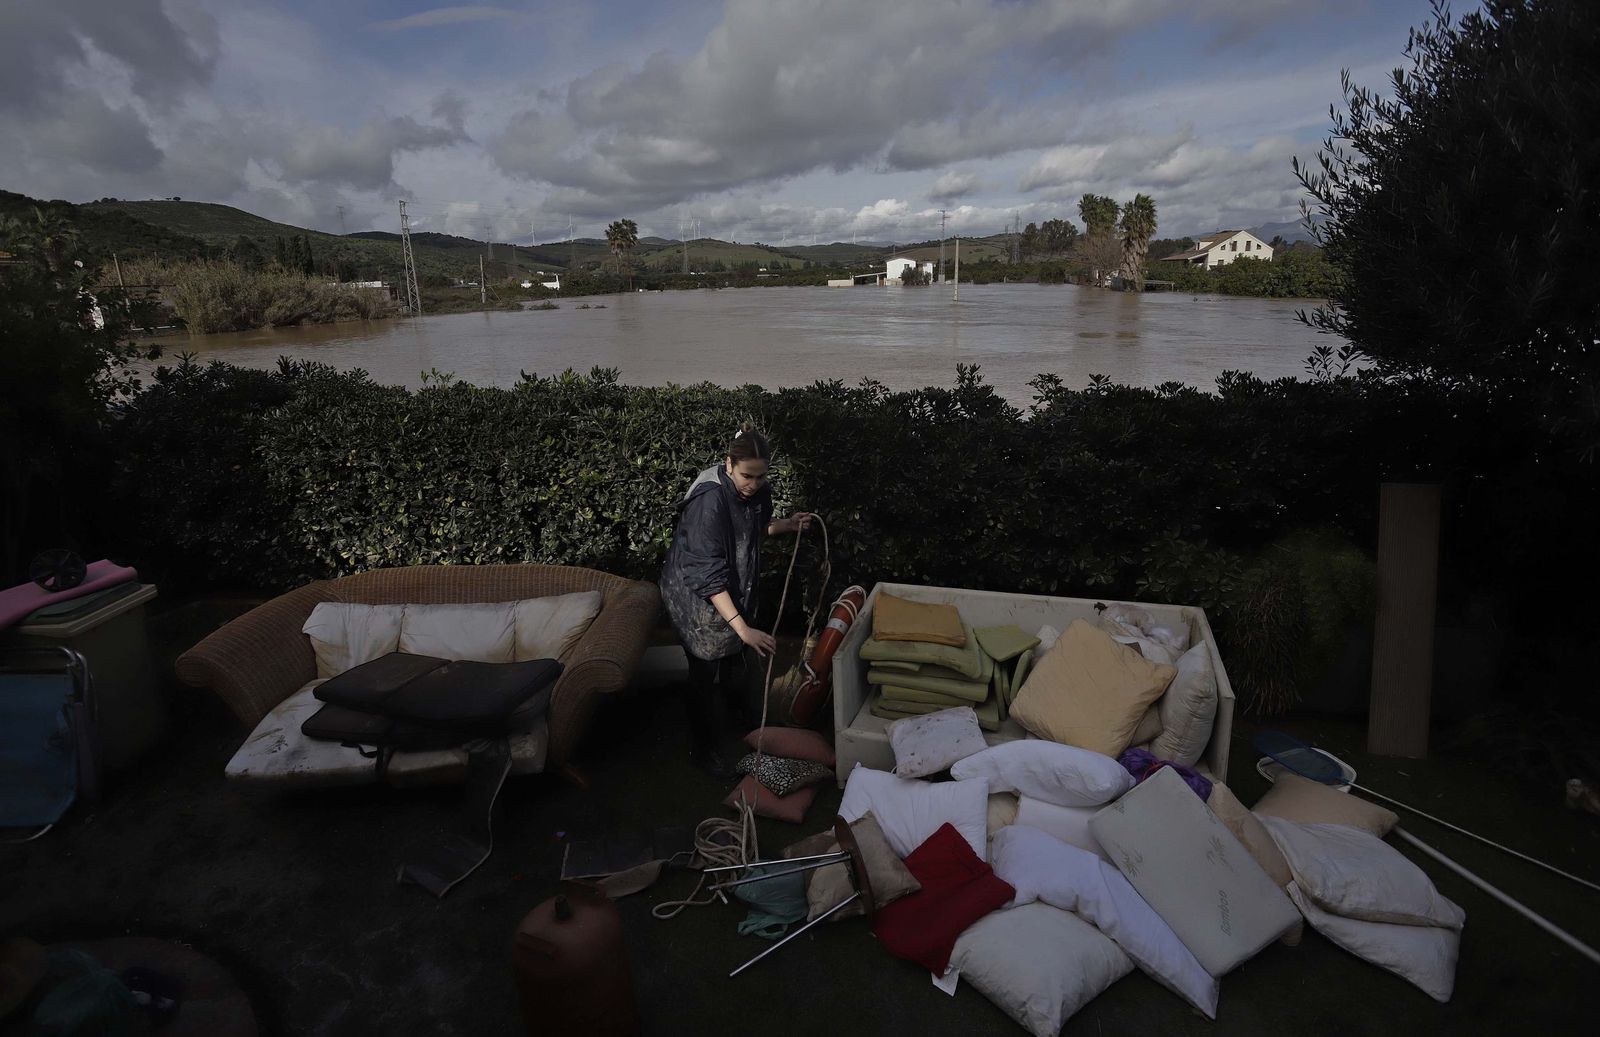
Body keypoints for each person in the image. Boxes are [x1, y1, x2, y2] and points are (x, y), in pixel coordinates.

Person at [659, 427, 812, 777]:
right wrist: (743, 629)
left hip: (733, 588)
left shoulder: (758, 491)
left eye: (761, 476)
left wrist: (788, 525)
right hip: (695, 597)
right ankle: (703, 749)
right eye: (747, 475)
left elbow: (755, 531)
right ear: (729, 464)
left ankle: (739, 725)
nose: (754, 484)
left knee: (734, 666)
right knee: (703, 672)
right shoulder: (708, 502)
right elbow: (705, 573)